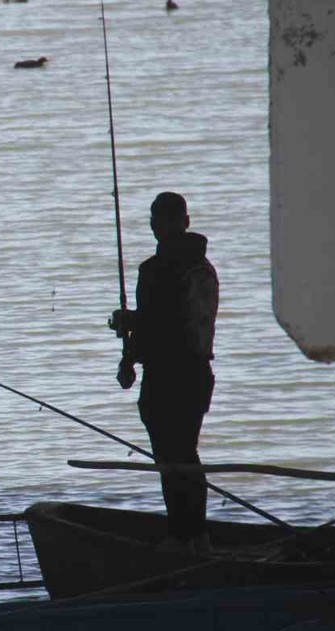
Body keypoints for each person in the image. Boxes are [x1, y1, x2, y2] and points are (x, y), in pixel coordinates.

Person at [110, 192, 219, 552]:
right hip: (196, 376)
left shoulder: (154, 270)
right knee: (183, 456)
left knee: (173, 459)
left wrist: (130, 343)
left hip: (168, 378)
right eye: (164, 220)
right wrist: (133, 338)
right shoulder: (203, 268)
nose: (165, 227)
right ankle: (193, 535)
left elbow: (162, 327)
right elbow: (172, 324)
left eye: (165, 220)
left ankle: (182, 535)